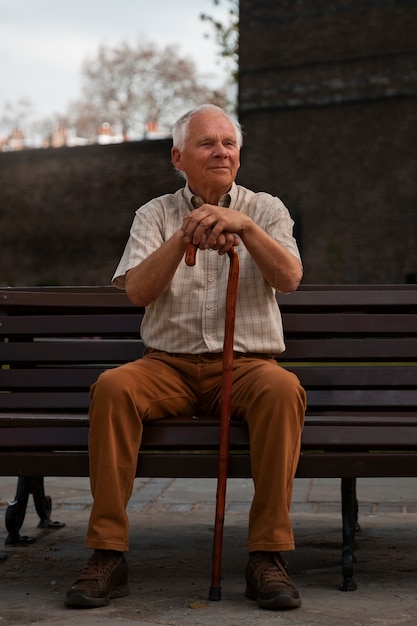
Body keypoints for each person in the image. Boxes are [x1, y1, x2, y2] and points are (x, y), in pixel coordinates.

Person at [65, 104, 306, 611]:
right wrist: (185, 234)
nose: (220, 150)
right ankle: (107, 552)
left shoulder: (268, 208)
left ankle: (267, 555)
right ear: (178, 156)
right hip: (166, 366)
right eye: (206, 143)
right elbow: (138, 291)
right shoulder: (154, 214)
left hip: (246, 368)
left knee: (285, 389)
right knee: (113, 386)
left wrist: (244, 227)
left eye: (229, 143)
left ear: (239, 156)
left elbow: (288, 278)